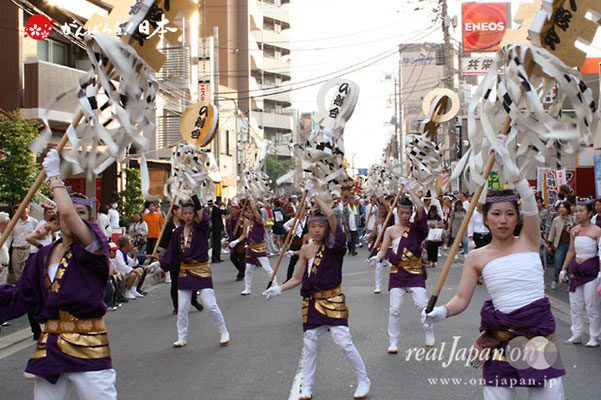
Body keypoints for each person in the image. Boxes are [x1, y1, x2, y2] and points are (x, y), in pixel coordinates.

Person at [423, 175, 566, 399]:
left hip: (537, 337)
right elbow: (461, 298)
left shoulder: (529, 239)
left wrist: (516, 175)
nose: (503, 220)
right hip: (500, 340)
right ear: (485, 218)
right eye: (496, 214)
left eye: (510, 214)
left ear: (518, 217)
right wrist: (440, 312)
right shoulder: (476, 257)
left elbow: (529, 201)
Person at [0, 149, 117, 399]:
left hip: (89, 344)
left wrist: (54, 177)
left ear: (90, 219)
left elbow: (68, 214)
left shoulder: (94, 247)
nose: (73, 215)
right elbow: (20, 297)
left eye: (81, 213)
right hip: (50, 346)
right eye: (70, 211)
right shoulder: (42, 256)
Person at [263, 193, 370, 400]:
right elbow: (297, 278)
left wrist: (314, 196)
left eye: (321, 226)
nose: (317, 230)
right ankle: (308, 387)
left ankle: (363, 379)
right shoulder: (305, 249)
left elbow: (330, 215)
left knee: (343, 342)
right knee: (310, 343)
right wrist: (279, 289)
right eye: (313, 226)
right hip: (312, 302)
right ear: (308, 228)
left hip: (334, 299)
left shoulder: (334, 246)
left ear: (327, 227)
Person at [149, 196, 229, 348]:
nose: (187, 216)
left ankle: (223, 331)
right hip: (184, 272)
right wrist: (157, 265)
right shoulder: (177, 232)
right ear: (180, 214)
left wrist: (194, 195)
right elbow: (171, 254)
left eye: (190, 213)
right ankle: (181, 337)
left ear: (194, 214)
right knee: (182, 308)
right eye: (184, 213)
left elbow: (204, 218)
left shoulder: (201, 228)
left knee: (210, 304)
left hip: (201, 270)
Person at [369, 183, 434, 351]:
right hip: (397, 272)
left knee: (422, 305)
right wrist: (377, 258)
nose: (405, 215)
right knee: (395, 310)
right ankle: (393, 342)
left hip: (415, 272)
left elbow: (420, 206)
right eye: (402, 212)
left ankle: (429, 331)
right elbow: (383, 251)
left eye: (407, 213)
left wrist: (408, 189)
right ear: (397, 212)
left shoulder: (417, 228)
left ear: (411, 213)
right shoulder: (390, 230)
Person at [559, 198, 601, 347]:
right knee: (575, 305)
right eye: (576, 211)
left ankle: (594, 336)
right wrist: (563, 268)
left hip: (591, 270)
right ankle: (576, 333)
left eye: (581, 211)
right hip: (576, 270)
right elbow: (571, 251)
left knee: (592, 306)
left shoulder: (597, 231)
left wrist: (600, 273)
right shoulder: (575, 230)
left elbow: (600, 253)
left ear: (590, 213)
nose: (578, 214)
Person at [157, 205, 203, 314]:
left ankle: (193, 300)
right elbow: (164, 242)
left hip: (188, 259)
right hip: (174, 259)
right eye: (181, 211)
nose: (184, 214)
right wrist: (160, 253)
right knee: (175, 284)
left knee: (192, 281)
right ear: (174, 212)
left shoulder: (186, 224)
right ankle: (176, 306)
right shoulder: (168, 226)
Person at [230, 198, 277, 295]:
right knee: (248, 269)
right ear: (245, 213)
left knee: (266, 267)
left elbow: (256, 211)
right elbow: (244, 235)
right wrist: (236, 241)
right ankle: (247, 288)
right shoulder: (246, 222)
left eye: (252, 212)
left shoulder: (259, 221)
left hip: (259, 247)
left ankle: (275, 283)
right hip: (250, 248)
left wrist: (251, 201)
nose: (250, 214)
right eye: (248, 212)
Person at [546, 202, 575, 290]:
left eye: (563, 207)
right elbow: (552, 232)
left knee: (571, 266)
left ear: (567, 209)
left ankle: (570, 283)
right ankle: (555, 280)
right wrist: (550, 244)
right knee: (558, 264)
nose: (561, 209)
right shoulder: (556, 220)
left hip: (571, 245)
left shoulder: (573, 219)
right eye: (559, 208)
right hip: (560, 245)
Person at [7, 204, 38, 284]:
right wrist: (6, 249)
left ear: (28, 210)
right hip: (16, 250)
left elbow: (37, 236)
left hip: (28, 250)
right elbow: (9, 237)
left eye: (24, 210)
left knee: (26, 272)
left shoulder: (34, 222)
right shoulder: (13, 222)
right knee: (17, 273)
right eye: (19, 210)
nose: (22, 212)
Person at [225, 202, 246, 281]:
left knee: (241, 258)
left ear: (238, 211)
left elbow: (245, 232)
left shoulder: (242, 220)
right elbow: (227, 229)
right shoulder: (228, 220)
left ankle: (241, 273)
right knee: (233, 258)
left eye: (234, 210)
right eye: (231, 210)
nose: (232, 212)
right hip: (232, 240)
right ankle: (241, 270)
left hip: (241, 241)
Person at [209, 198, 226, 263]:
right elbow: (225, 212)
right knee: (216, 243)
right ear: (219, 201)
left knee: (218, 243)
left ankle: (217, 257)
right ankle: (215, 258)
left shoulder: (216, 208)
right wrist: (224, 206)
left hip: (217, 228)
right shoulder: (215, 208)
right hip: (216, 228)